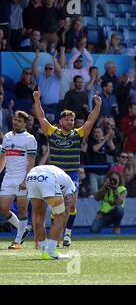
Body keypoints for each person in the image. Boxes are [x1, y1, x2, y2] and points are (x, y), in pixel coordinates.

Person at [33, 90, 102, 247]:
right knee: (56, 204)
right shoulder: (52, 132)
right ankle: (56, 236)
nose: (71, 122)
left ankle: (68, 235)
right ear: (61, 121)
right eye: (67, 119)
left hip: (72, 174)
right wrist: (37, 100)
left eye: (72, 119)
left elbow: (90, 121)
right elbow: (41, 117)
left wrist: (97, 106)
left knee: (71, 204)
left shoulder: (78, 134)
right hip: (56, 175)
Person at [0, 111, 37, 249]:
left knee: (22, 209)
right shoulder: (7, 137)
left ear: (25, 124)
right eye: (15, 119)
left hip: (22, 177)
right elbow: (3, 157)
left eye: (19, 121)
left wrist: (26, 180)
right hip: (9, 177)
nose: (16, 122)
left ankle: (18, 240)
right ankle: (24, 229)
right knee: (3, 208)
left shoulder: (30, 139)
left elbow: (32, 160)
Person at [26, 164, 76, 260]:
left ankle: (44, 248)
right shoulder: (72, 188)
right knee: (61, 215)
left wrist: (37, 233)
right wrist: (59, 233)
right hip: (48, 177)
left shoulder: (64, 179)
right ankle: (51, 251)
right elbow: (65, 213)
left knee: (37, 213)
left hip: (31, 176)